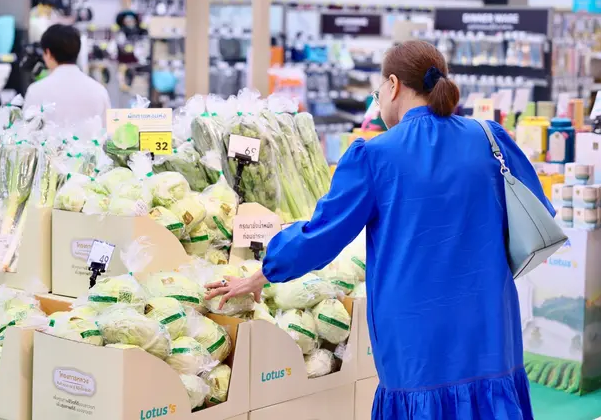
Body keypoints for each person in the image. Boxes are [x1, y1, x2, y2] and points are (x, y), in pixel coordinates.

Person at [207, 40, 554, 420]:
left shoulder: (375, 155)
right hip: (489, 322)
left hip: (415, 333)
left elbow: (322, 235)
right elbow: (538, 208)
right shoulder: (489, 138)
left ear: (393, 85)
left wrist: (263, 271)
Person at [24, 24, 111, 124]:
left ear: (48, 53)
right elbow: (108, 133)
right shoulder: (99, 91)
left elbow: (26, 133)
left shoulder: (36, 91)